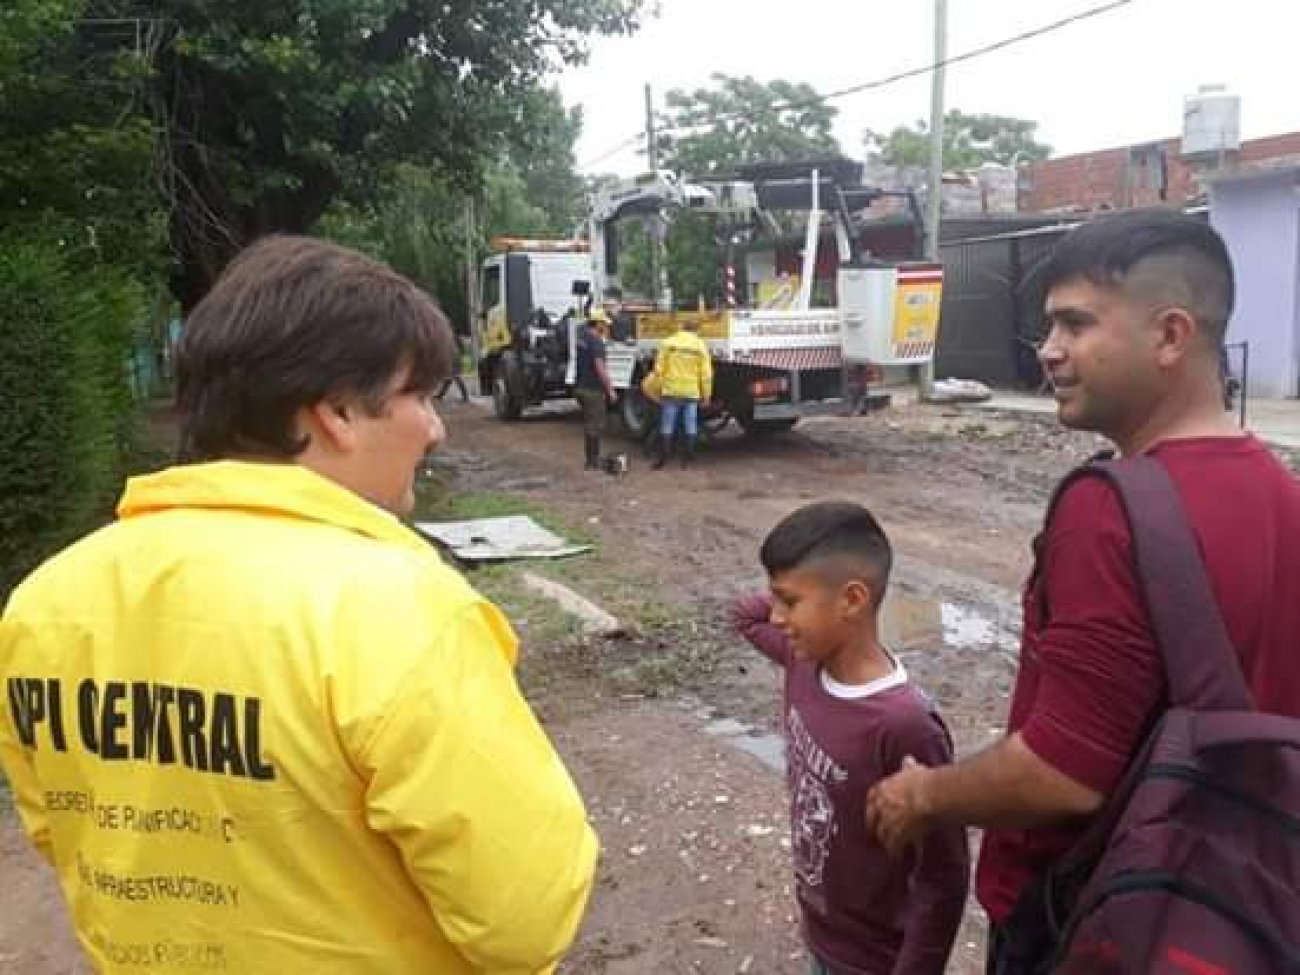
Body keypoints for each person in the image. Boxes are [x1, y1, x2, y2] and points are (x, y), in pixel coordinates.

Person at [0, 236, 599, 974]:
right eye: (418, 396)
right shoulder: (398, 610)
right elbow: (526, 918)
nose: (435, 428)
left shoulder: (45, 601)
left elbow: (62, 830)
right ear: (337, 411)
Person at [864, 209, 1300, 971]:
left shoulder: (1107, 510)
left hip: (1100, 915)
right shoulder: (1278, 489)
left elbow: (1061, 772)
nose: (1049, 350)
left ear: (1171, 335)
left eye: (1075, 323)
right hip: (1241, 904)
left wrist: (922, 795)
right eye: (1049, 326)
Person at [731, 502, 969, 975]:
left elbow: (944, 877)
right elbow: (745, 616)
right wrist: (796, 595)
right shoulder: (804, 661)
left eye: (789, 601)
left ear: (853, 600)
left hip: (873, 960)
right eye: (775, 599)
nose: (776, 617)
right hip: (821, 934)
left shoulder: (905, 725)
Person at [650, 317, 712, 469]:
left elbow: (658, 370)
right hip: (691, 392)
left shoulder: (668, 343)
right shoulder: (700, 346)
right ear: (696, 330)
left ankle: (664, 457)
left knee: (667, 424)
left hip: (671, 390)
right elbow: (706, 375)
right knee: (690, 423)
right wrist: (706, 396)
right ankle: (688, 458)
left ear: (682, 327)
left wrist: (657, 390)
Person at [574, 308, 617, 470]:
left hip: (581, 387)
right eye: (604, 324)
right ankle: (592, 461)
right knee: (595, 425)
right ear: (598, 323)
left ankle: (591, 459)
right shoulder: (596, 342)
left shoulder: (582, 338)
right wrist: (610, 389)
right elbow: (600, 368)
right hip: (593, 389)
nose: (606, 327)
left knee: (589, 423)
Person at [434, 330, 471, 402]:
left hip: (455, 360)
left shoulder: (454, 339)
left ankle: (465, 396)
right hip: (452, 359)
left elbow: (462, 350)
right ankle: (441, 395)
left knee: (456, 378)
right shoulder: (449, 339)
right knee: (449, 379)